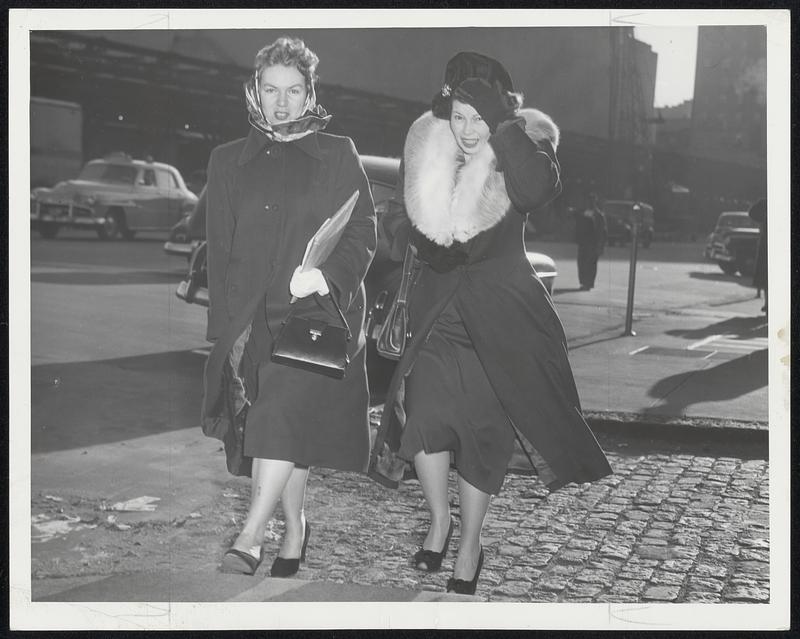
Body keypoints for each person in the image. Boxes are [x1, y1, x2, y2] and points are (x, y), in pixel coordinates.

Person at [368, 52, 612, 595]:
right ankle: (439, 520)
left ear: (501, 109)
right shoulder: (430, 149)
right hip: (437, 311)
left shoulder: (523, 144)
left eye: (480, 114)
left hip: (499, 316)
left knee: (481, 434)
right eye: (458, 113)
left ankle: (470, 543)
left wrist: (506, 130)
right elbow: (413, 223)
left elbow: (536, 191)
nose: (467, 127)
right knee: (426, 420)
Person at [200, 37, 376, 576]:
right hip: (255, 321)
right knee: (279, 433)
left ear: (310, 94)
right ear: (255, 90)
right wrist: (223, 332)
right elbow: (221, 250)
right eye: (271, 90)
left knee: (277, 418)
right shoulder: (227, 161)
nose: (282, 103)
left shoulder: (337, 152)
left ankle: (250, 536)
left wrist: (326, 275)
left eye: (293, 90)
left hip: (314, 315)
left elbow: (364, 231)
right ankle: (296, 531)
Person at [575, 192, 607, 290]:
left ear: (595, 202)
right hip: (583, 243)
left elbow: (602, 231)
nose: (589, 203)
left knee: (590, 264)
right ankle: (583, 282)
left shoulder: (599, 215)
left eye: (591, 201)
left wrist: (600, 246)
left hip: (593, 244)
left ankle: (588, 283)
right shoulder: (583, 213)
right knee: (582, 263)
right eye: (588, 201)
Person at [748, 198, 767, 314]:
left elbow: (752, 212)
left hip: (766, 242)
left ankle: (768, 304)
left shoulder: (767, 202)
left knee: (766, 277)